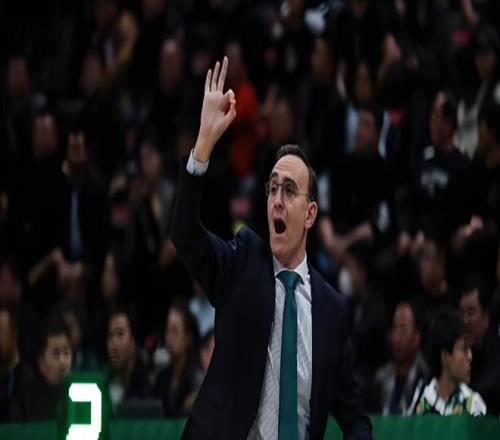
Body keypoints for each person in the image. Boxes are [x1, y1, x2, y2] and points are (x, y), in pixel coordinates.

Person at [172, 57, 371, 439]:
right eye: (272, 188)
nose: (277, 199)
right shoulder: (243, 261)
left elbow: (355, 418)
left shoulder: (331, 310)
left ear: (310, 214)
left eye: (289, 190)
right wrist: (202, 148)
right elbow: (185, 235)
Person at [409, 309, 486, 416]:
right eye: (463, 349)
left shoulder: (472, 405)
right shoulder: (420, 397)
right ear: (445, 356)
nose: (470, 356)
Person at [368, 302, 429, 415]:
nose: (397, 338)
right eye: (394, 328)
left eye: (403, 329)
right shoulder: (379, 381)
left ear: (417, 337)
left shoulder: (427, 383)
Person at [10, 312, 73, 421]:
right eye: (56, 354)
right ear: (41, 362)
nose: (63, 361)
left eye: (66, 353)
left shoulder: (81, 393)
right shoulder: (26, 399)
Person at [458, 278, 500, 415]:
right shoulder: (460, 350)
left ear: (486, 317)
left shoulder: (496, 351)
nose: (464, 320)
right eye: (461, 312)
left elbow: (490, 388)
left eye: (471, 312)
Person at [154, 301, 202, 417]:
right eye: (168, 330)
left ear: (188, 338)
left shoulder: (196, 379)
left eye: (175, 331)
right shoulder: (162, 377)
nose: (169, 337)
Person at [106, 307, 150, 411]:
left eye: (120, 334)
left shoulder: (148, 384)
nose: (113, 344)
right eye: (110, 335)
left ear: (133, 340)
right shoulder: (107, 382)